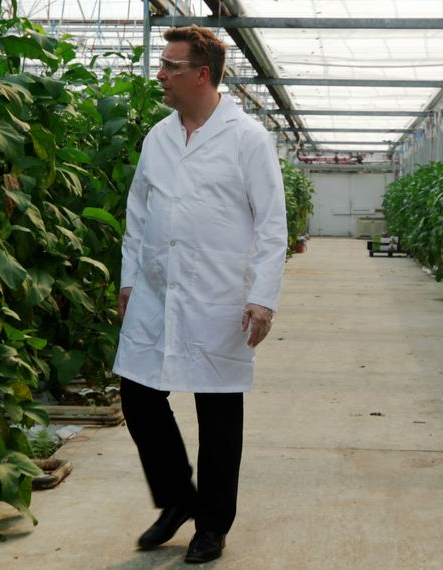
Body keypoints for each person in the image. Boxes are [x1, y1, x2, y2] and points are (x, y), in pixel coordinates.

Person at [111, 25, 287, 565]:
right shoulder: (159, 136)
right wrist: (128, 279)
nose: (160, 75)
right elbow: (138, 214)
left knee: (217, 413)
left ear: (202, 74)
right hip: (157, 294)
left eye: (170, 66)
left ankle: (211, 524)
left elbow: (272, 223)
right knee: (139, 396)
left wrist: (263, 297)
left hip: (218, 296)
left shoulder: (247, 137)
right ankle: (178, 499)